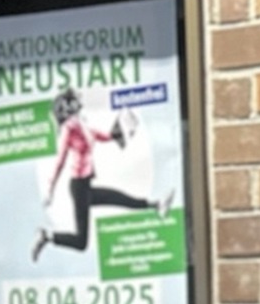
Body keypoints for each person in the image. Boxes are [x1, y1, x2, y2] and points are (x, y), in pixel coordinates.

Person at [33, 87, 171, 261]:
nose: (79, 102)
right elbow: (60, 160)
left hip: (86, 186)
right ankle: (46, 236)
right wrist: (50, 189)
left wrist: (123, 129)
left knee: (119, 198)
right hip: (79, 188)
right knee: (81, 242)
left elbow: (103, 136)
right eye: (74, 101)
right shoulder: (69, 128)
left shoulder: (82, 125)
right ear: (68, 108)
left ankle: (157, 205)